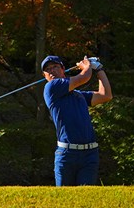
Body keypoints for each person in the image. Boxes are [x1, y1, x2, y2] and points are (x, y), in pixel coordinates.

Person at [41, 55, 113, 186]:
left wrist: (99, 69)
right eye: (48, 69)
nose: (52, 71)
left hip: (89, 154)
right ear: (44, 75)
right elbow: (84, 77)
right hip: (67, 154)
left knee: (86, 198)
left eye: (55, 67)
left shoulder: (78, 95)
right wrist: (86, 66)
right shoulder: (51, 88)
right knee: (64, 200)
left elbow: (106, 95)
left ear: (63, 69)